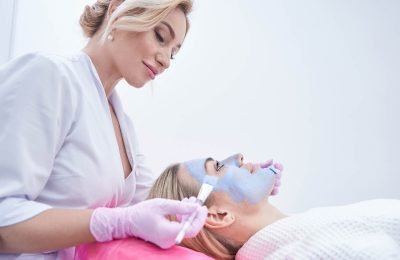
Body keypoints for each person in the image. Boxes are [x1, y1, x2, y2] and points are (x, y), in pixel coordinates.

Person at [0, 0, 210, 259]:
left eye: (173, 53)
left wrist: (227, 181)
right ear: (117, 9)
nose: (166, 60)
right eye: (160, 37)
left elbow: (157, 202)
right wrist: (113, 222)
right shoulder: (49, 76)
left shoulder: (122, 125)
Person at [148, 153, 400, 259]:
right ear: (219, 215)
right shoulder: (306, 251)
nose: (238, 157)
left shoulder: (306, 234)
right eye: (219, 167)